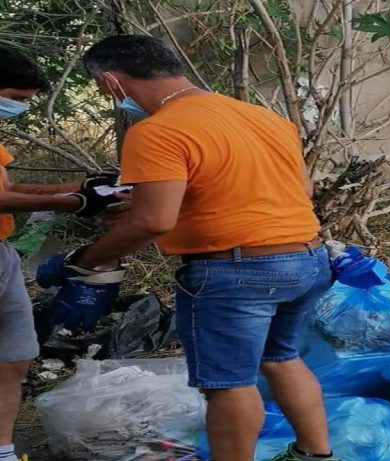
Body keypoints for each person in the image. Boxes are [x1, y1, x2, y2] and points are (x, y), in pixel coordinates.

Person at [52, 35, 339, 461]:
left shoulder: (157, 130)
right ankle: (315, 454)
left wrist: (87, 260)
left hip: (237, 272)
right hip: (305, 259)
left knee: (229, 383)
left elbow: (153, 221)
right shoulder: (262, 117)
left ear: (113, 82)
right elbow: (300, 189)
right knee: (280, 358)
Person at [0, 48, 118, 461]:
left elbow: (15, 193)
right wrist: (78, 203)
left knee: (15, 356)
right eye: (17, 96)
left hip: (2, 254)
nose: (21, 106)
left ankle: (3, 450)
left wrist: (82, 187)